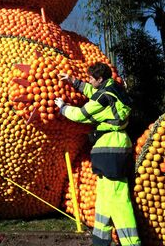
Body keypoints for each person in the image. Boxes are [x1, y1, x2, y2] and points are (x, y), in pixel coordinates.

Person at [55, 62, 141, 246]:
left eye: (91, 79)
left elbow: (81, 114)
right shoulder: (112, 88)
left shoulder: (104, 96)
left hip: (112, 149)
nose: (89, 81)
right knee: (103, 199)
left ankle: (131, 243)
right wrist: (73, 81)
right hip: (108, 149)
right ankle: (100, 241)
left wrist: (63, 107)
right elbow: (94, 92)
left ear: (100, 79)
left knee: (118, 199)